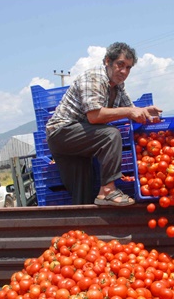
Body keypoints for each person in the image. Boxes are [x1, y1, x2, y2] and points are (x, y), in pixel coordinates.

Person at [46, 42, 163, 206]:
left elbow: (130, 109)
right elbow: (94, 116)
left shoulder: (118, 86)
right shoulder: (94, 77)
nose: (124, 71)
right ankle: (108, 191)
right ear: (108, 61)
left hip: (81, 141)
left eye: (128, 68)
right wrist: (130, 112)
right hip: (62, 134)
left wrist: (144, 111)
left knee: (83, 195)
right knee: (110, 134)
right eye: (120, 65)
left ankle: (83, 229)